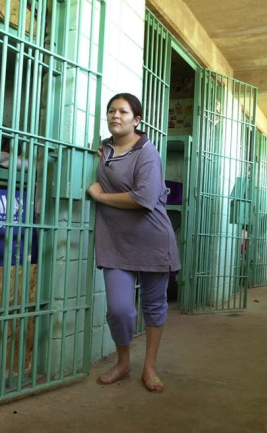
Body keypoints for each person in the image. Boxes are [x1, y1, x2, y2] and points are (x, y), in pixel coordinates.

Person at [86, 93, 180, 393]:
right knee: (119, 309)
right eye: (111, 111)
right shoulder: (105, 148)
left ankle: (149, 367)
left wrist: (100, 197)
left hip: (152, 239)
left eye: (123, 112)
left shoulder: (146, 151)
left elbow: (144, 198)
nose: (116, 115)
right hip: (114, 241)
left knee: (153, 306)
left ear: (136, 119)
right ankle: (124, 362)